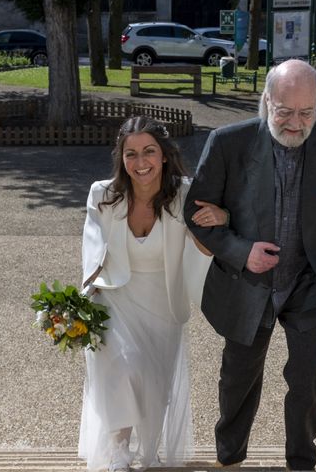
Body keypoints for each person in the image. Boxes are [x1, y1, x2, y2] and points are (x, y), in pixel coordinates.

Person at [183, 59, 316, 471]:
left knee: (309, 374)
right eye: (285, 111)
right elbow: (194, 213)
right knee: (239, 378)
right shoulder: (227, 142)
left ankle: (301, 461)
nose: (296, 123)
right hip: (247, 281)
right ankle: (230, 456)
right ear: (266, 101)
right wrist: (241, 251)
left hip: (306, 278)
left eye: (307, 112)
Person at [78, 116, 227, 472]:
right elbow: (93, 249)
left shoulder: (185, 193)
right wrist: (81, 299)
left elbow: (208, 243)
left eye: (149, 152)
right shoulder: (103, 194)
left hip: (163, 299)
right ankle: (118, 451)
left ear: (163, 155)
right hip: (115, 295)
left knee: (154, 383)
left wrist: (221, 217)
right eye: (131, 154)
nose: (140, 162)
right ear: (121, 157)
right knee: (121, 367)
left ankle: (147, 450)